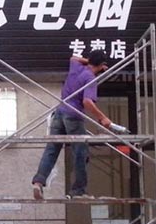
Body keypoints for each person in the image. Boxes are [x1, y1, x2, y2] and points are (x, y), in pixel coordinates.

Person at [31, 50, 114, 200]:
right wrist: (103, 118)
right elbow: (87, 102)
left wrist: (89, 61)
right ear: (102, 65)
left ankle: (38, 182)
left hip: (59, 113)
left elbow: (73, 58)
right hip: (74, 116)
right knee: (80, 153)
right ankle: (78, 190)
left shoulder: (77, 67)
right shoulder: (90, 78)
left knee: (52, 149)